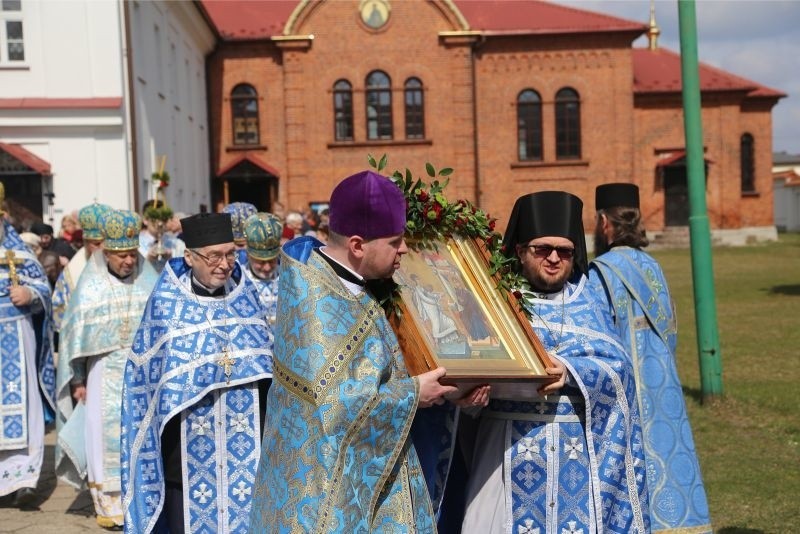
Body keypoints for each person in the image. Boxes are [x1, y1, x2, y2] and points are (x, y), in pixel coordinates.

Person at [249, 170, 460, 532]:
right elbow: (336, 410)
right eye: (395, 241)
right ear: (358, 246)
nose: (404, 249)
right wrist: (413, 393)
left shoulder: (355, 285)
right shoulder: (317, 301)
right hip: (324, 500)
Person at [461, 191, 650, 533]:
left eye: (564, 251)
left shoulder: (588, 299)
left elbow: (620, 370)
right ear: (520, 251)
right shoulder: (494, 300)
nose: (553, 258)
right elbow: (463, 372)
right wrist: (469, 398)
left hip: (576, 451)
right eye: (542, 249)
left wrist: (571, 372)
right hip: (503, 449)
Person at [120, 212, 274, 533]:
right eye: (214, 255)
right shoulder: (166, 303)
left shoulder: (246, 296)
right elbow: (146, 380)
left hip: (246, 453)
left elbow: (266, 365)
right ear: (189, 257)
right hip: (186, 458)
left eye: (231, 253)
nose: (224, 263)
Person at [588, 183, 712, 532]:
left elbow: (598, 341)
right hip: (663, 387)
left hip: (625, 394)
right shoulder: (653, 267)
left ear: (603, 222)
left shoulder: (600, 273)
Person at [55, 209, 159, 529]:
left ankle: (141, 499)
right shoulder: (90, 285)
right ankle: (110, 506)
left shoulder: (150, 278)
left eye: (132, 254)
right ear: (107, 253)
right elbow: (74, 340)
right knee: (104, 437)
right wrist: (79, 381)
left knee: (141, 435)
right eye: (121, 256)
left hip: (142, 373)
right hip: (103, 372)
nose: (129, 261)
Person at [0, 182, 56, 508]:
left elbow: (44, 290)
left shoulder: (18, 251)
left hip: (16, 340)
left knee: (24, 408)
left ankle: (23, 481)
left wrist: (30, 294)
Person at [51, 203, 113, 331]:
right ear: (85, 243)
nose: (102, 249)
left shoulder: (124, 265)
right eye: (96, 244)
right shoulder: (72, 273)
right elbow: (58, 312)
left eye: (106, 243)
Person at [242, 212, 282, 324]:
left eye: (272, 260)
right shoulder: (239, 279)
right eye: (261, 262)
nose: (267, 267)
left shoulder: (288, 276)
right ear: (248, 255)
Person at [138, 199, 186, 272]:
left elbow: (185, 271)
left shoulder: (177, 245)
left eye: (163, 218)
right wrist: (147, 260)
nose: (160, 222)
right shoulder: (136, 245)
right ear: (145, 220)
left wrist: (171, 259)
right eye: (154, 218)